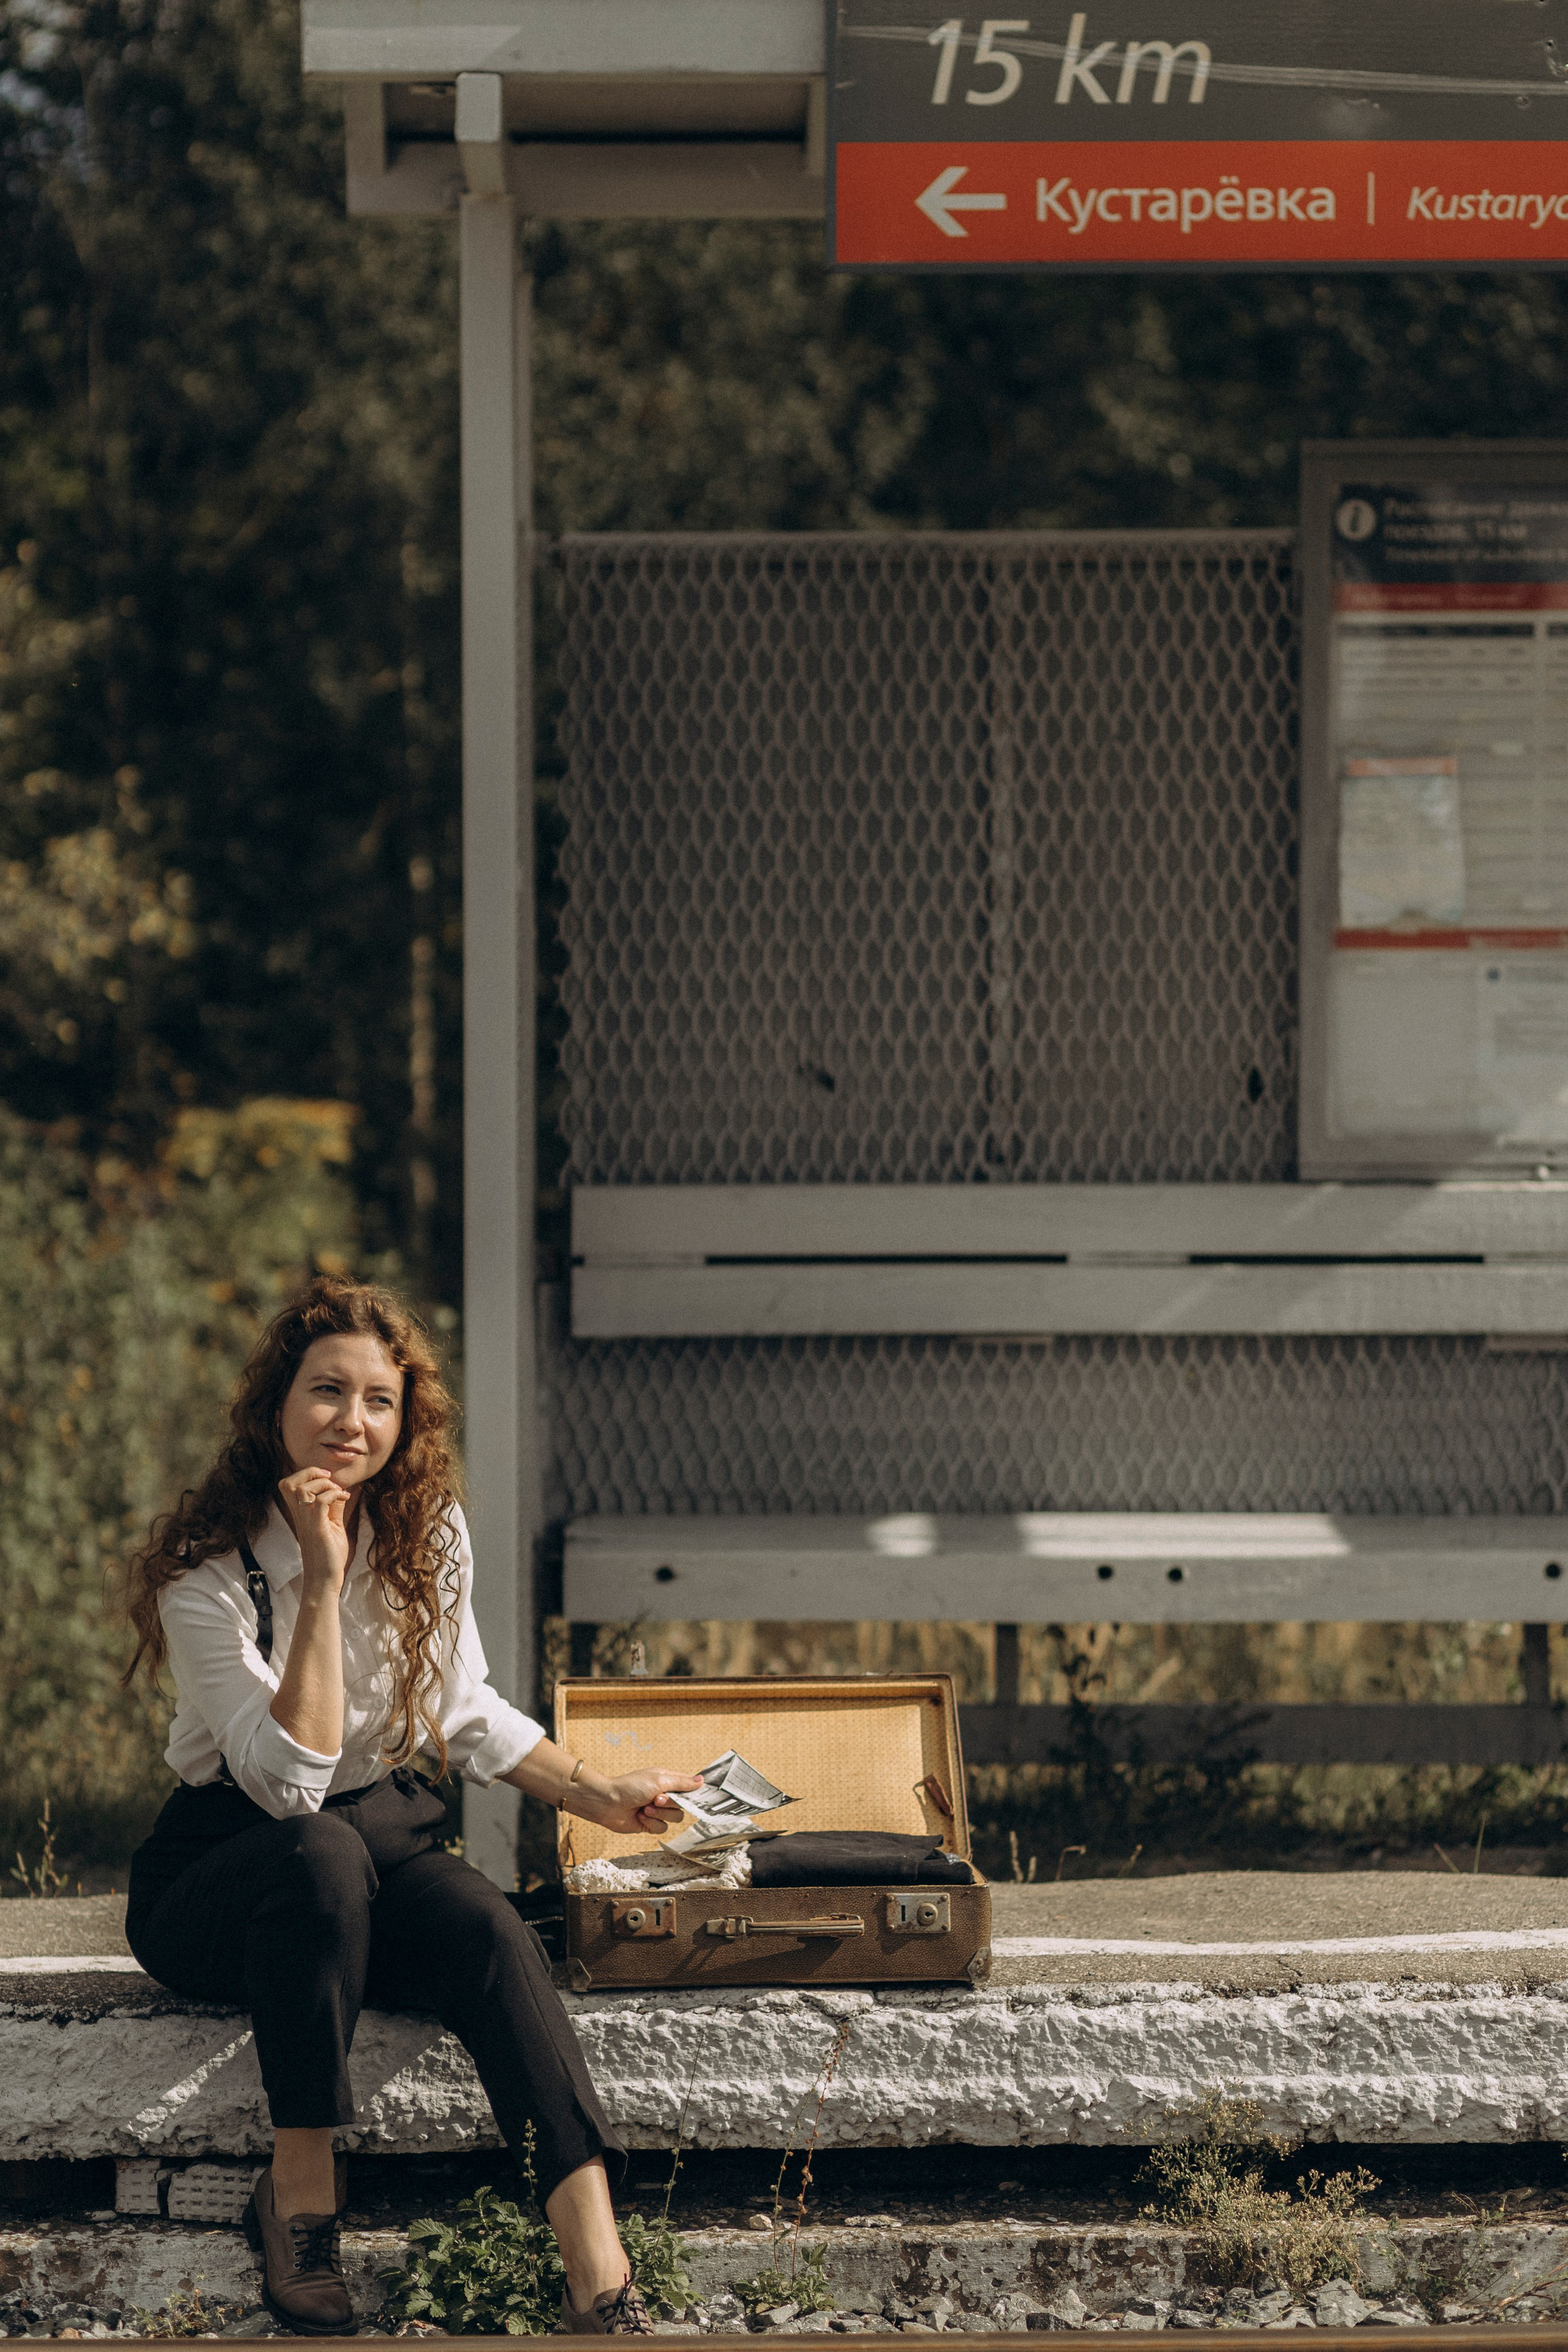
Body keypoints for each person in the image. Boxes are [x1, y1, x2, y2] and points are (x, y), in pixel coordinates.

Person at [122, 1274, 702, 2338]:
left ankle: (598, 2267)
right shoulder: (208, 1576)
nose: (353, 1421)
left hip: (369, 1849)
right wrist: (324, 1579)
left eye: (379, 1399)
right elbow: (290, 1785)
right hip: (231, 1879)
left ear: (406, 1416)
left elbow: (463, 1707)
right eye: (326, 1392)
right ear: (275, 1409)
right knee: (320, 1855)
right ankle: (298, 2197)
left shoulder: (431, 1531)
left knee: (484, 1923)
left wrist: (591, 1789)